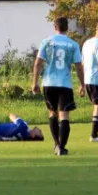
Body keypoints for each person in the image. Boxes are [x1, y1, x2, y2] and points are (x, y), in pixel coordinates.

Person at [32, 17, 85, 156]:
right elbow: (79, 67)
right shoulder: (73, 44)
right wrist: (83, 85)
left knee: (52, 113)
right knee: (64, 115)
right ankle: (62, 147)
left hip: (49, 83)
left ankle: (57, 144)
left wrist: (35, 82)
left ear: (55, 27)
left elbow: (38, 63)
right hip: (65, 84)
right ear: (67, 28)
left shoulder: (46, 42)